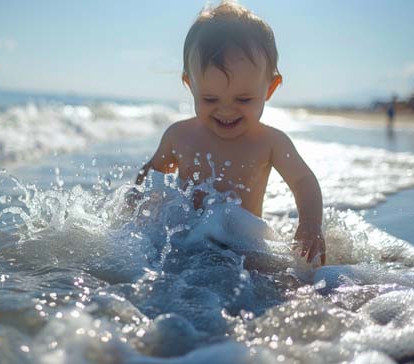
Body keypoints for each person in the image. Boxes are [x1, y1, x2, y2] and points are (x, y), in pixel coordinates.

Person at [133, 1, 325, 265]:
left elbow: (303, 181)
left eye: (244, 99)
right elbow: (152, 174)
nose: (226, 110)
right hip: (185, 246)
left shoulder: (270, 142)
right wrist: (134, 208)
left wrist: (311, 224)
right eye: (210, 99)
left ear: (270, 88)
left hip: (246, 252)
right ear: (190, 85)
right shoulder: (179, 136)